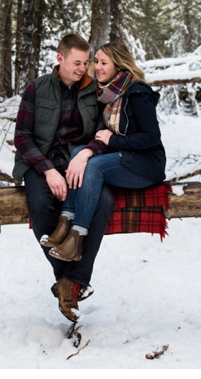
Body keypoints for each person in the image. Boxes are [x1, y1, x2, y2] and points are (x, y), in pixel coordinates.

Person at [12, 33, 115, 323]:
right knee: (40, 202)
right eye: (76, 62)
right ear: (60, 59)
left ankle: (73, 281)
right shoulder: (37, 88)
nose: (83, 68)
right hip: (40, 162)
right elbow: (22, 137)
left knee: (104, 202)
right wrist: (46, 169)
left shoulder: (95, 90)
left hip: (78, 161)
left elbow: (102, 133)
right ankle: (67, 281)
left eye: (86, 62)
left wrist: (86, 155)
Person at [42, 41, 166, 272]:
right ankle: (65, 221)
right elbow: (100, 135)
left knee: (95, 166)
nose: (96, 67)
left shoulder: (137, 93)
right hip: (122, 156)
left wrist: (113, 141)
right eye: (96, 61)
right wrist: (84, 152)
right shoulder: (108, 94)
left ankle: (77, 238)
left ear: (118, 65)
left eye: (102, 62)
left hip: (146, 165)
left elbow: (151, 137)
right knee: (79, 152)